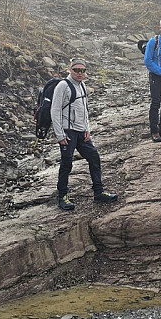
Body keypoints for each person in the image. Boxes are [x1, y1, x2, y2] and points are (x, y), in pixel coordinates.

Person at [51, 57, 118, 210]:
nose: (79, 73)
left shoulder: (82, 85)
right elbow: (55, 110)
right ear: (70, 70)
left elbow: (85, 109)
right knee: (66, 163)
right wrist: (60, 135)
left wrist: (87, 129)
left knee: (94, 157)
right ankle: (62, 196)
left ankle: (98, 192)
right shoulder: (63, 85)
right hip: (68, 131)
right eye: (76, 70)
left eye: (82, 70)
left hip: (82, 132)